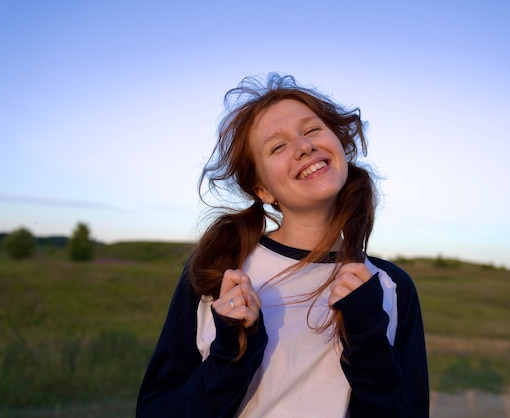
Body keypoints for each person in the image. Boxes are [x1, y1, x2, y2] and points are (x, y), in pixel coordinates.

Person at [136, 73, 429, 417]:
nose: (304, 146)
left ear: (340, 145)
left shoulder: (390, 287)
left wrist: (368, 338)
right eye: (278, 146)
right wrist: (230, 354)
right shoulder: (219, 272)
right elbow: (155, 410)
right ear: (262, 190)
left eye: (312, 130)